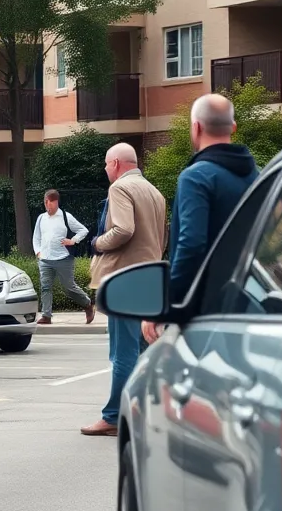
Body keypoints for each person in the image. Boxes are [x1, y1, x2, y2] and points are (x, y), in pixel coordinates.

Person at [143, 94, 259, 345]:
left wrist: (166, 305)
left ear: (196, 127)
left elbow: (191, 245)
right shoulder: (258, 177)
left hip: (204, 316)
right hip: (248, 305)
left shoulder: (196, 177)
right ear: (233, 127)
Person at [82, 142, 167, 437]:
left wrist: (98, 242)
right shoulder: (154, 192)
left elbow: (123, 229)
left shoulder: (119, 188)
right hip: (149, 277)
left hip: (125, 279)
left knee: (123, 352)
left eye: (107, 164)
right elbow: (161, 238)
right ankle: (144, 413)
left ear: (116, 164)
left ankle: (114, 417)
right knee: (144, 351)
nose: (106, 169)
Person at [32, 189, 94, 325]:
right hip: (45, 259)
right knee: (45, 287)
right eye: (46, 203)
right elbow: (36, 237)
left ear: (56, 202)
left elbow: (83, 230)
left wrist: (73, 241)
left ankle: (87, 304)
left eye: (51, 203)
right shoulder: (41, 218)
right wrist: (38, 252)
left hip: (63, 258)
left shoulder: (66, 216)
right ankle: (46, 315)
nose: (48, 206)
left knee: (69, 287)